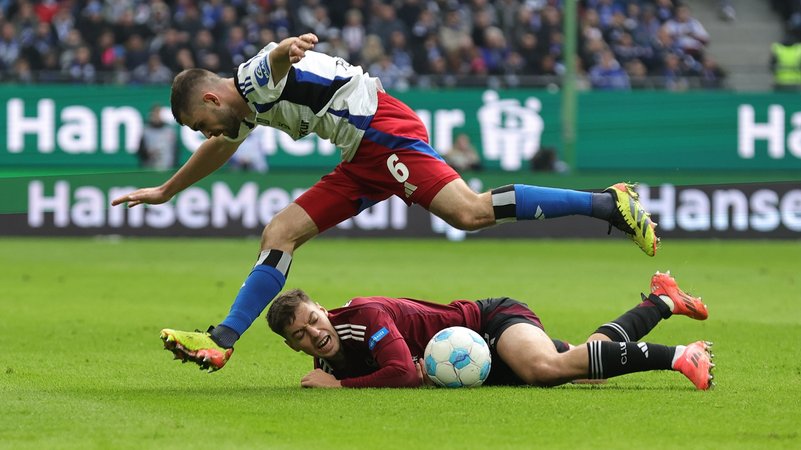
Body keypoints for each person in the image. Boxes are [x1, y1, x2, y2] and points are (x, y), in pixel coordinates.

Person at [113, 33, 659, 372]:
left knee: (467, 212)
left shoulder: (251, 83)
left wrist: (287, 49)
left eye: (199, 122)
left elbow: (272, 63)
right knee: (280, 233)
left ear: (211, 98)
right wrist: (166, 190)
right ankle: (222, 340)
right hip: (360, 155)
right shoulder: (244, 109)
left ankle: (607, 203)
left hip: (382, 131)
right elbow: (219, 147)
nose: (204, 131)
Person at [264, 271, 714, 390]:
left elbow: (401, 372)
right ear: (290, 345)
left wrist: (340, 387)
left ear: (323, 309)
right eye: (300, 336)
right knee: (583, 365)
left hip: (488, 323)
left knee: (543, 367)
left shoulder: (363, 316)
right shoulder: (327, 357)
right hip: (471, 361)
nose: (314, 334)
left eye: (314, 320)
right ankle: (662, 300)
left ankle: (681, 356)